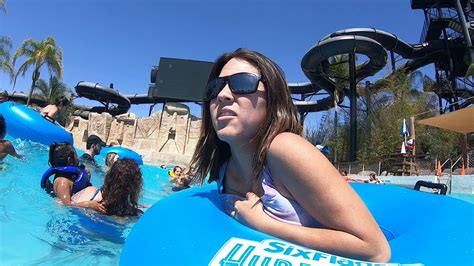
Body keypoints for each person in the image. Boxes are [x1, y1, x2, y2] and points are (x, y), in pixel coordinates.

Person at [190, 49, 390, 262]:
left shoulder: (284, 149)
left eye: (242, 83)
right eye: (215, 87)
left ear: (272, 97)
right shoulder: (224, 169)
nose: (223, 95)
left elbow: (375, 250)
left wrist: (263, 224)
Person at [41, 142, 105, 213]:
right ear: (70, 160)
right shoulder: (63, 182)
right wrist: (89, 204)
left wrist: (87, 178)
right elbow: (66, 204)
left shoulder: (73, 175)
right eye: (76, 155)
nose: (78, 158)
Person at [71, 158, 144, 217]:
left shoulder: (90, 193)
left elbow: (63, 204)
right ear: (135, 186)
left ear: (108, 177)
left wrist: (87, 204)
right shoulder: (135, 214)